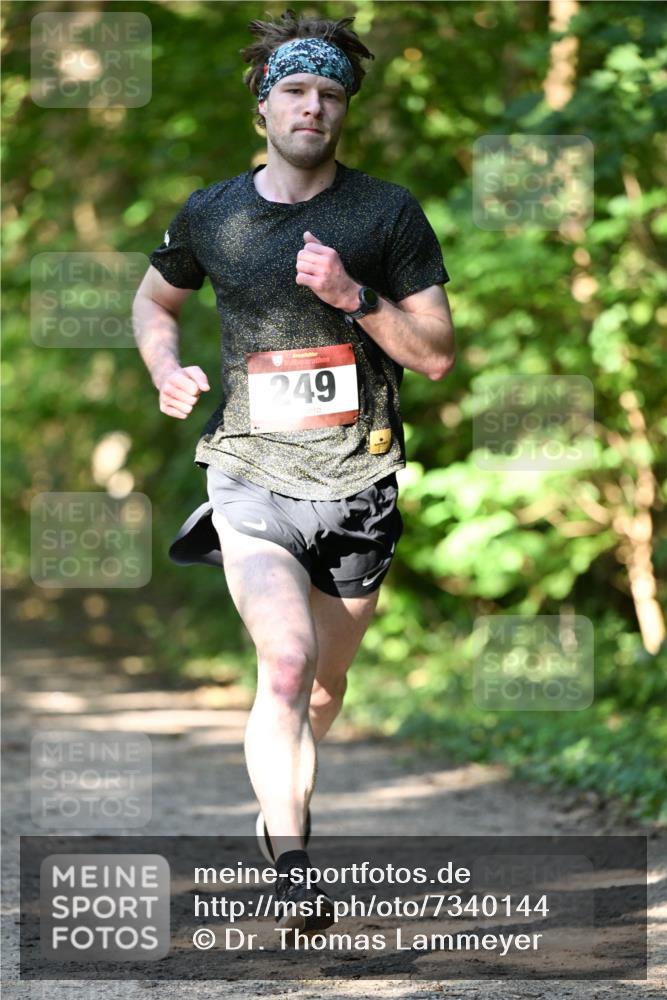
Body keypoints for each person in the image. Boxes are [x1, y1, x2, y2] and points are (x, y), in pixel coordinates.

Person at [132, 7, 455, 933]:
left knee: (320, 690)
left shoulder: (385, 211)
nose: (312, 107)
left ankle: (275, 809)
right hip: (249, 471)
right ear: (263, 108)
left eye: (328, 93)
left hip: (358, 481)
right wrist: (166, 367)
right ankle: (296, 859)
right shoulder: (212, 212)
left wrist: (354, 298)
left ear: (342, 109)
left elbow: (434, 355)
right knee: (283, 663)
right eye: (295, 92)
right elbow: (155, 303)